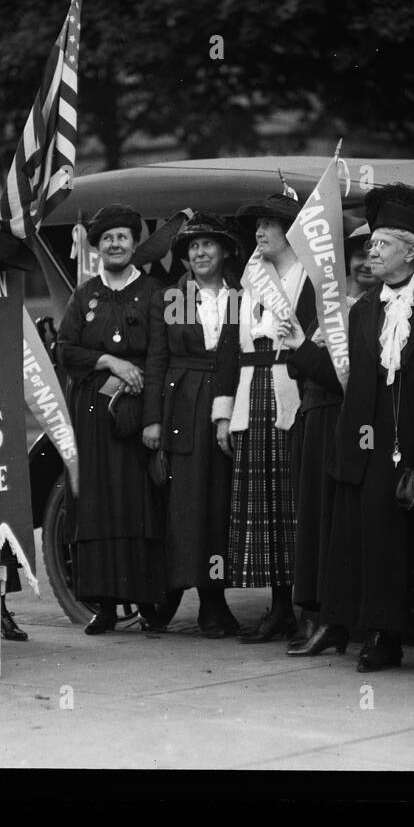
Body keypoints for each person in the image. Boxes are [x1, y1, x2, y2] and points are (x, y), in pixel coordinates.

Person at [286, 186, 414, 671]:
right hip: (367, 444)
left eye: (382, 244)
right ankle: (382, 638)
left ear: (412, 252)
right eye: (370, 244)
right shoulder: (360, 311)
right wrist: (299, 347)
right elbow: (342, 378)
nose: (371, 252)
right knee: (376, 540)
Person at [57, 203, 168, 633]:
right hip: (92, 416)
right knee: (97, 506)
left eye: (122, 236)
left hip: (137, 414)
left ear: (134, 243)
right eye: (107, 239)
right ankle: (103, 606)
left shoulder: (155, 292)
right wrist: (108, 360)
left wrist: (154, 419)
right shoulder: (84, 294)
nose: (115, 244)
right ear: (98, 247)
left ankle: (149, 605)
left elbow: (159, 357)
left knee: (139, 505)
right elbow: (65, 348)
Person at [219, 193, 315, 643]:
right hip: (252, 390)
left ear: (290, 230)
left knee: (294, 499)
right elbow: (232, 349)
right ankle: (279, 608)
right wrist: (225, 413)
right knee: (267, 504)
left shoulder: (309, 279)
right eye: (257, 224)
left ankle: (308, 608)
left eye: (270, 224)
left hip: (291, 387)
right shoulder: (252, 282)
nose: (260, 232)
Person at [142, 214, 242, 637]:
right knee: (184, 508)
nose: (200, 253)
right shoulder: (174, 297)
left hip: (226, 401)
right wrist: (152, 420)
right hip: (180, 405)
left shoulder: (241, 295)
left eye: (207, 246)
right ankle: (168, 597)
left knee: (218, 505)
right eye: (192, 248)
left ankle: (213, 604)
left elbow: (236, 352)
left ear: (223, 252)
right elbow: (157, 360)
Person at [283, 218, 378, 655]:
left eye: (369, 254)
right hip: (316, 417)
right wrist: (306, 349)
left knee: (342, 520)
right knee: (316, 519)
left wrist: (307, 350)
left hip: (347, 419)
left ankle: (340, 618)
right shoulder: (330, 304)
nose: (362, 263)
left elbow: (346, 379)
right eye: (354, 255)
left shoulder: (374, 308)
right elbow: (294, 363)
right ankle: (318, 614)